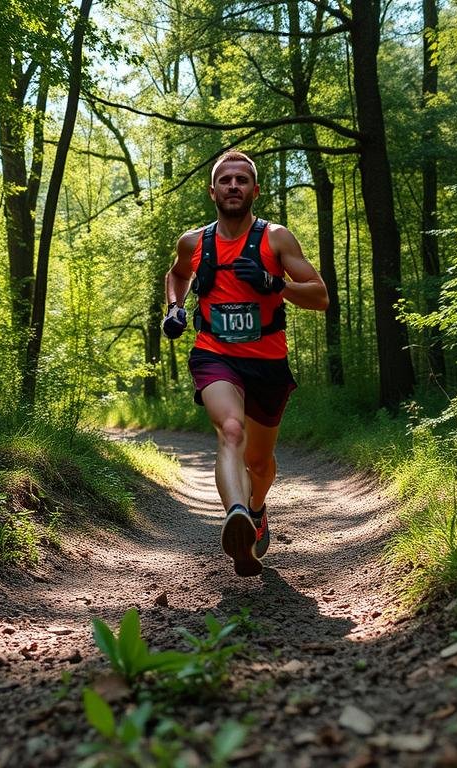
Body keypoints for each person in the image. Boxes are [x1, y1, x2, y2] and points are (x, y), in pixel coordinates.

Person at [161, 150, 329, 577]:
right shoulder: (194, 242)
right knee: (230, 429)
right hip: (215, 355)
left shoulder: (276, 239)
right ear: (212, 190)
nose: (233, 186)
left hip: (268, 364)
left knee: (259, 463)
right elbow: (177, 275)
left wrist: (277, 285)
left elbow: (320, 296)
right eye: (225, 180)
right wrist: (175, 308)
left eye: (241, 180)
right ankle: (236, 516)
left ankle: (255, 508)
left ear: (254, 190)